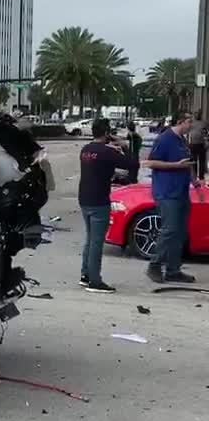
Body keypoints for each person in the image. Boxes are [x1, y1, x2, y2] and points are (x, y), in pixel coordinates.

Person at [78, 117, 137, 293]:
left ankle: (85, 275)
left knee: (90, 239)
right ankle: (95, 281)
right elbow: (132, 163)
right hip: (99, 200)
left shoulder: (85, 150)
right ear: (106, 133)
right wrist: (124, 146)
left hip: (84, 198)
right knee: (97, 242)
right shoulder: (107, 152)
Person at [145, 111, 197, 284]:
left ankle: (173, 270)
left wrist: (193, 179)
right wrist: (175, 165)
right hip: (166, 193)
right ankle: (154, 265)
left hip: (181, 192)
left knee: (180, 233)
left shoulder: (182, 140)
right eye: (189, 122)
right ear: (181, 122)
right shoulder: (164, 139)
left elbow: (186, 163)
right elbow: (151, 162)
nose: (191, 125)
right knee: (170, 230)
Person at [189, 111, 207, 181]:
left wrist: (207, 142)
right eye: (196, 114)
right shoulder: (191, 123)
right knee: (194, 161)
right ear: (194, 115)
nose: (197, 115)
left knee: (202, 161)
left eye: (199, 114)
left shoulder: (204, 123)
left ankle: (201, 176)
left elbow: (207, 132)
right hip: (193, 144)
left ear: (201, 115)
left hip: (202, 144)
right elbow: (188, 133)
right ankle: (194, 176)